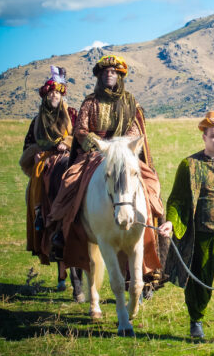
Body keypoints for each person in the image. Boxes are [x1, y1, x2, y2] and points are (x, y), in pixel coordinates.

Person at [47, 55, 164, 291]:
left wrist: (118, 148)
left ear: (120, 75)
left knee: (151, 182)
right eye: (105, 72)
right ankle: (61, 230)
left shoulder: (130, 101)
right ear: (100, 76)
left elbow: (134, 130)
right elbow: (80, 130)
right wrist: (101, 147)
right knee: (69, 180)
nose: (109, 74)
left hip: (123, 154)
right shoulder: (90, 102)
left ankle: (157, 234)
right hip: (95, 153)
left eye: (114, 71)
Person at [158, 111, 214, 339]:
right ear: (204, 138)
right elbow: (177, 199)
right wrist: (170, 221)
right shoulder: (189, 165)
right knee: (201, 282)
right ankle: (196, 321)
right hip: (201, 235)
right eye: (213, 136)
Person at [20, 66, 84, 298]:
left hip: (69, 160)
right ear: (46, 96)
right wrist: (36, 153)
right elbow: (27, 147)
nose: (54, 96)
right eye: (50, 94)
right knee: (38, 185)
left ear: (62, 94)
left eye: (57, 93)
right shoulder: (37, 121)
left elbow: (80, 137)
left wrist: (66, 144)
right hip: (45, 163)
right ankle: (40, 213)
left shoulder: (74, 114)